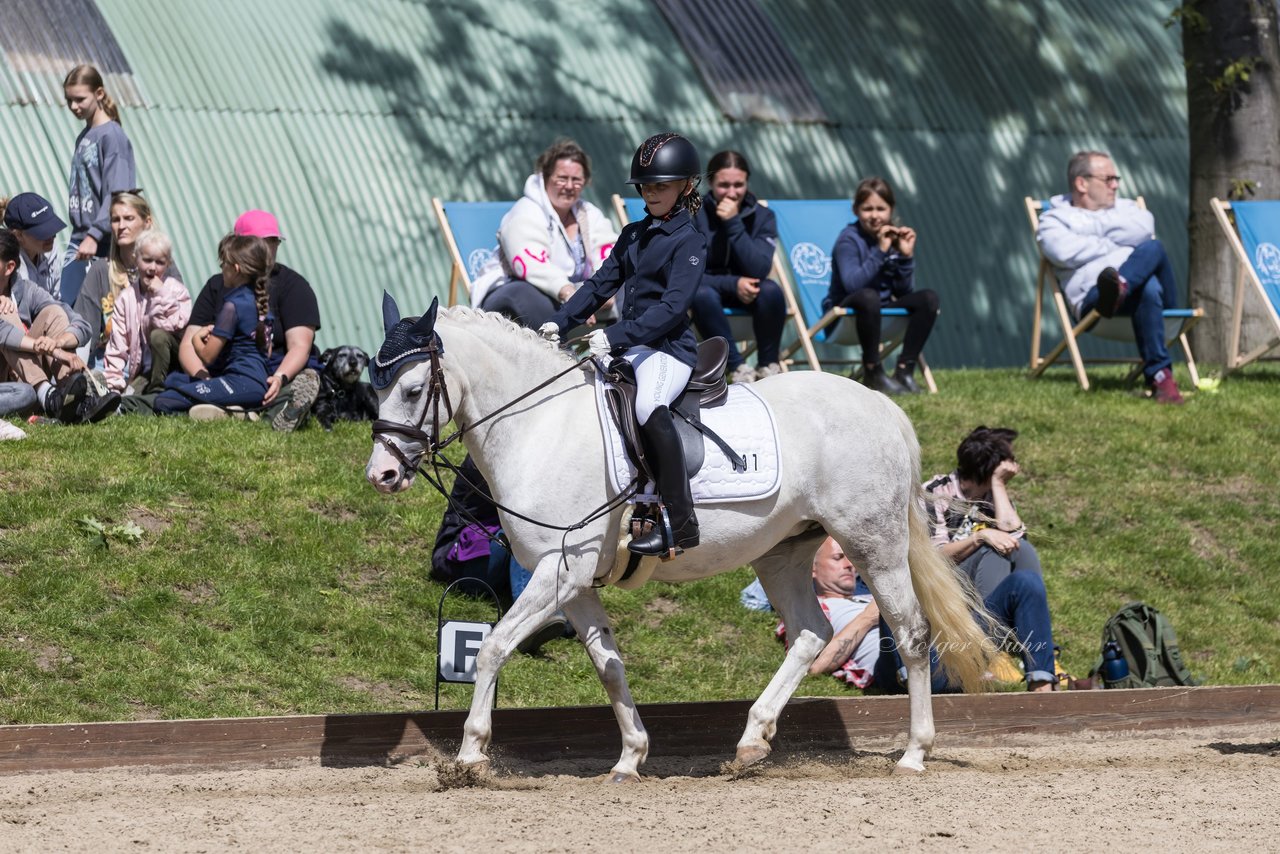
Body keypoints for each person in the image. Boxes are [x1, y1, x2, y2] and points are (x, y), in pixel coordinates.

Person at [540, 132, 707, 556]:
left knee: (649, 407)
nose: (651, 194)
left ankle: (680, 522)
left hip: (669, 350)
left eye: (661, 186)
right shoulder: (633, 234)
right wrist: (559, 323)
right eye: (646, 187)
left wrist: (613, 335)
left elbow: (672, 310)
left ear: (685, 186)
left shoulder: (690, 241)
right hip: (631, 346)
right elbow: (599, 285)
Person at [1036, 150, 1185, 404]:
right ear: (1081, 183)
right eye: (1108, 179)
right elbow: (1062, 252)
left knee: (1154, 248)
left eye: (1117, 179)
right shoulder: (1053, 219)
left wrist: (1089, 232)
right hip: (1095, 302)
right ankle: (1161, 377)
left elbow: (1145, 229)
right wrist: (1117, 243)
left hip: (1147, 303)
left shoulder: (1127, 208)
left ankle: (1122, 285)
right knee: (1147, 286)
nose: (1115, 185)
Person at [919, 425, 1057, 692]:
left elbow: (1015, 535)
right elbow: (933, 560)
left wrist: (997, 485)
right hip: (944, 592)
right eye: (1008, 461)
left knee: (1020, 548)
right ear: (990, 465)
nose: (1015, 465)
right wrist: (979, 538)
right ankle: (982, 645)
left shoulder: (993, 496)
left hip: (982, 587)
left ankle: (1033, 675)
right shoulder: (936, 493)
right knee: (992, 547)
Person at [179, 210, 321, 430]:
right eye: (263, 242)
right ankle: (239, 411)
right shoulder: (217, 286)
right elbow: (187, 343)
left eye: (274, 242)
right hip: (226, 371)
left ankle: (276, 412)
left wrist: (280, 377)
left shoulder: (294, 286)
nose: (270, 249)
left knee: (298, 381)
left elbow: (300, 346)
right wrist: (203, 378)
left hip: (273, 372)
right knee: (180, 388)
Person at [478, 139, 618, 329]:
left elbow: (608, 251)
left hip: (575, 294)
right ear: (544, 177)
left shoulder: (589, 214)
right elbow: (532, 264)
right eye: (562, 178)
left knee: (631, 284)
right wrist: (570, 294)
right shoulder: (525, 213)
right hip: (517, 292)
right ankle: (554, 354)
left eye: (576, 180)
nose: (569, 186)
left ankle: (625, 351)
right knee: (527, 295)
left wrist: (606, 290)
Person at [825, 177, 939, 394]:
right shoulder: (848, 240)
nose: (875, 215)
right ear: (856, 210)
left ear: (891, 209)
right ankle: (873, 371)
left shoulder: (893, 238)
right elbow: (852, 284)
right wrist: (880, 250)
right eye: (868, 209)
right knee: (868, 296)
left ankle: (904, 371)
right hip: (846, 313)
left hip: (880, 312)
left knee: (929, 298)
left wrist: (906, 257)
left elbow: (904, 292)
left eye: (881, 208)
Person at [0, 230, 119, 424]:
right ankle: (50, 397)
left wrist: (57, 341)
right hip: (10, 386)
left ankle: (71, 396)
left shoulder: (27, 290)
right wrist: (60, 353)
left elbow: (82, 325)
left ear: (9, 267)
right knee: (25, 394)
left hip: (23, 377)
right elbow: (5, 334)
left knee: (53, 312)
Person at [690, 150, 785, 383]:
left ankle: (768, 365)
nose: (731, 193)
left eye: (738, 185)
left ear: (747, 183)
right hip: (707, 293)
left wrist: (733, 223)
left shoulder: (764, 217)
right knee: (700, 294)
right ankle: (737, 367)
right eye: (724, 185)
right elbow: (690, 273)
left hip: (750, 294)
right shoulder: (694, 214)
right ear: (711, 183)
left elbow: (760, 269)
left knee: (771, 290)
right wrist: (733, 283)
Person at [154, 234, 270, 416]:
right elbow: (265, 350)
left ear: (236, 269)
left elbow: (207, 357)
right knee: (174, 380)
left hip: (239, 383)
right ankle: (234, 409)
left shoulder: (232, 306)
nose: (221, 268)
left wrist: (196, 338)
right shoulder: (259, 302)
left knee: (164, 400)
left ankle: (226, 413)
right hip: (257, 383)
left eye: (224, 263)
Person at [61, 64, 137, 309]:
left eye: (80, 99)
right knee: (66, 307)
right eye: (69, 100)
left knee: (98, 314)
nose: (74, 106)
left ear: (100, 94)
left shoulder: (112, 137)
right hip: (79, 237)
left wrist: (95, 235)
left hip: (101, 244)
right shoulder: (85, 136)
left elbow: (118, 193)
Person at [73, 191, 177, 365]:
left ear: (147, 223)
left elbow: (179, 320)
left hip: (151, 361)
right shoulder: (100, 270)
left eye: (129, 218)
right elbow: (83, 328)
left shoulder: (164, 266)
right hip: (108, 361)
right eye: (115, 220)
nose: (121, 226)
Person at [776, 537, 881, 688]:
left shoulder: (869, 597)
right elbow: (812, 667)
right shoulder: (811, 608)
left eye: (851, 559)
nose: (849, 565)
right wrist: (868, 618)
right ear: (811, 566)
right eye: (838, 558)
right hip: (894, 662)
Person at [102, 228, 191, 395]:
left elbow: (176, 324)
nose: (152, 268)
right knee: (128, 397)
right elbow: (117, 344)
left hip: (176, 363)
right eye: (147, 260)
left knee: (158, 336)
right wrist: (114, 385)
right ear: (136, 259)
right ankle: (142, 395)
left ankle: (157, 392)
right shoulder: (127, 298)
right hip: (147, 368)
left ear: (168, 264)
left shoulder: (177, 291)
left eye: (159, 262)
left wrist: (160, 294)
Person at [2, 192, 66, 299]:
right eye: (43, 233)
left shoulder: (51, 252)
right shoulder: (8, 264)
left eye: (52, 229)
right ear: (18, 235)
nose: (52, 236)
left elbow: (55, 299)